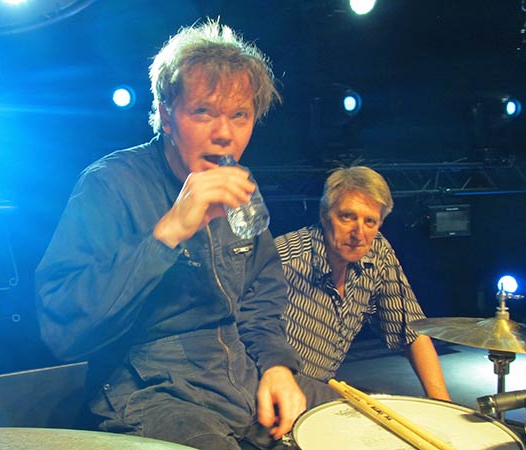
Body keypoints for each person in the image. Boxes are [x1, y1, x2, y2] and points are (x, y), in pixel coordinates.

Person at [35, 19, 336, 450]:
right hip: (149, 393)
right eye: (203, 112)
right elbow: (61, 329)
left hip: (238, 381)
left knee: (369, 424)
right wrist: (171, 229)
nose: (224, 132)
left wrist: (275, 367)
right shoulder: (110, 184)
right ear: (166, 114)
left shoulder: (240, 186)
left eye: (239, 115)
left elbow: (260, 295)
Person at [274, 166, 451, 401]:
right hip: (269, 389)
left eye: (370, 221)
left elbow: (412, 331)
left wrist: (443, 405)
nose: (359, 233)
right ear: (324, 214)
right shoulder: (282, 259)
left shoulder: (376, 251)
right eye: (348, 217)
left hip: (316, 388)